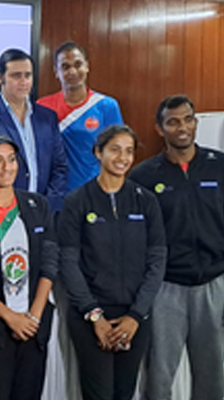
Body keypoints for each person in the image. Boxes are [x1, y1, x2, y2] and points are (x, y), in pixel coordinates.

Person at [128, 95, 224, 400]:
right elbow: (137, 240)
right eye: (173, 122)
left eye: (188, 119)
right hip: (164, 289)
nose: (182, 128)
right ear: (160, 128)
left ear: (195, 123)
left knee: (211, 377)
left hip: (214, 287)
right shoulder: (143, 176)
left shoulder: (222, 166)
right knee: (158, 377)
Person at [58, 125, 166, 400]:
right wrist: (94, 315)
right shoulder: (77, 201)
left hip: (135, 315)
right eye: (115, 150)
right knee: (99, 393)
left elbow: (157, 261)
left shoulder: (146, 201)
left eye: (129, 151)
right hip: (91, 316)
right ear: (98, 152)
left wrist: (135, 316)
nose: (123, 158)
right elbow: (68, 262)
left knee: (124, 392)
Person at [0, 134, 58, 400]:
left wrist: (34, 316)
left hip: (33, 326)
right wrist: (9, 316)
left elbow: (50, 260)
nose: (7, 167)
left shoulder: (37, 205)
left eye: (11, 159)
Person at [0, 48, 67, 212]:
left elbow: (59, 167)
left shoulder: (47, 117)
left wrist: (47, 206)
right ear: (0, 77)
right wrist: (6, 209)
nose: (23, 81)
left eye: (28, 75)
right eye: (16, 76)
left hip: (42, 213)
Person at [37, 41, 123, 192]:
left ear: (87, 66)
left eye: (78, 65)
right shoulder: (42, 106)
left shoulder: (107, 106)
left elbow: (117, 152)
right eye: (65, 67)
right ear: (56, 72)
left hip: (92, 191)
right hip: (53, 192)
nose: (73, 71)